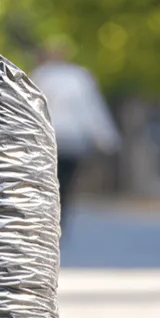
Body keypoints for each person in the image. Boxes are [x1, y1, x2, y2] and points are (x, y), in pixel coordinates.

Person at [31, 45, 121, 236]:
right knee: (67, 182)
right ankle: (61, 219)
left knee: (47, 180)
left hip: (48, 138)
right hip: (73, 139)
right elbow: (91, 108)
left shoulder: (40, 76)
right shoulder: (79, 77)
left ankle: (48, 218)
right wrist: (106, 137)